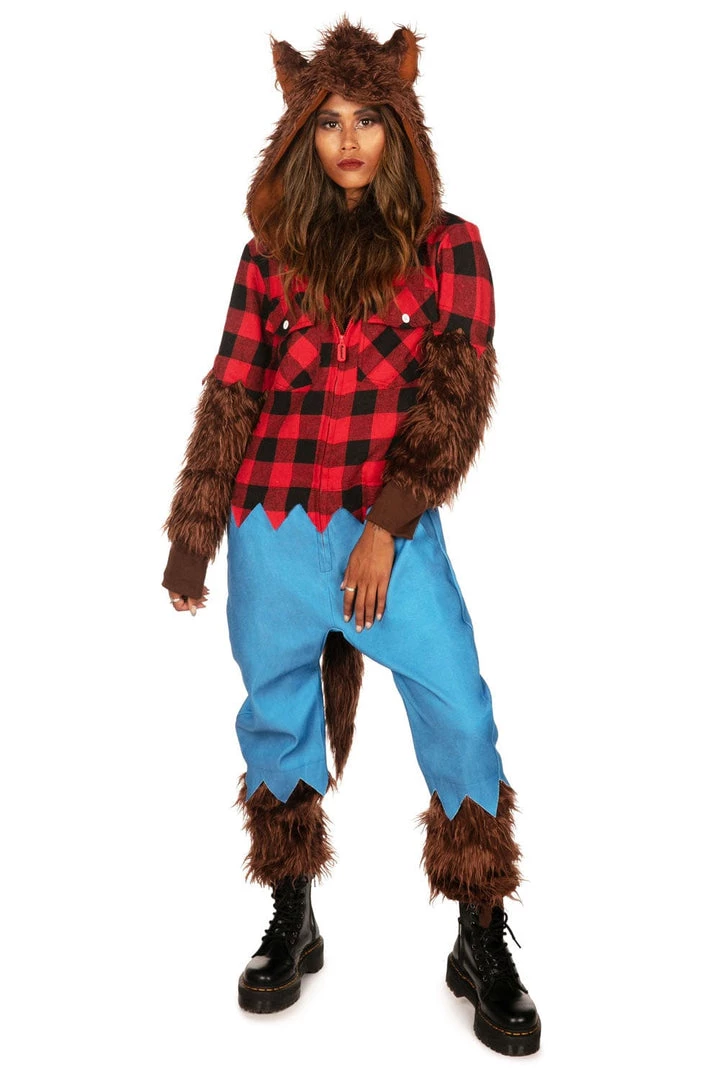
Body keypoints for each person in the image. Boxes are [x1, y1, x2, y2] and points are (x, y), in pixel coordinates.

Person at [161, 16, 541, 1056]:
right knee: (276, 720)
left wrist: (388, 526)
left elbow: (455, 400)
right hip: (271, 529)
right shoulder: (266, 258)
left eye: (368, 118)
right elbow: (233, 390)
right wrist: (195, 533)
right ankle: (292, 914)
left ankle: (480, 932)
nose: (348, 140)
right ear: (301, 133)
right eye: (327, 121)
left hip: (388, 538)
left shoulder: (450, 248)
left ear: (400, 125)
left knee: (458, 710)